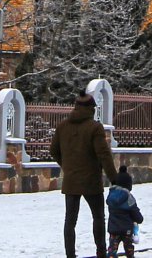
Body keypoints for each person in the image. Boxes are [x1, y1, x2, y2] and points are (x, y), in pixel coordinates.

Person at [50, 94, 118, 258]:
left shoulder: (62, 126)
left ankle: (70, 255)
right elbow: (103, 154)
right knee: (98, 218)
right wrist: (114, 178)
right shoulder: (95, 127)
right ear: (91, 109)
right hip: (91, 181)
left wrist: (67, 167)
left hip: (71, 180)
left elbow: (53, 151)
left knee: (70, 221)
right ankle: (101, 253)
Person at [105, 165, 145, 258]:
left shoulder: (111, 196)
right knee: (128, 248)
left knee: (112, 248)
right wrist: (139, 219)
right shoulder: (129, 198)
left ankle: (111, 256)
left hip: (113, 229)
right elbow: (135, 213)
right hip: (126, 230)